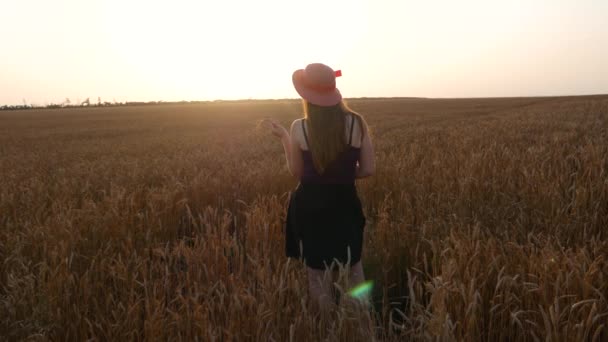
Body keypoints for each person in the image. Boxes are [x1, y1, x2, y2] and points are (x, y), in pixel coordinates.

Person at [262, 63, 375, 312]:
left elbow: (297, 172)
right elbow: (367, 169)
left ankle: (327, 330)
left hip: (311, 208)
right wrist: (342, 177)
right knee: (354, 269)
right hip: (346, 204)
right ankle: (360, 330)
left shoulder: (298, 127)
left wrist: (283, 138)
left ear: (307, 96)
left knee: (317, 275)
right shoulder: (357, 123)